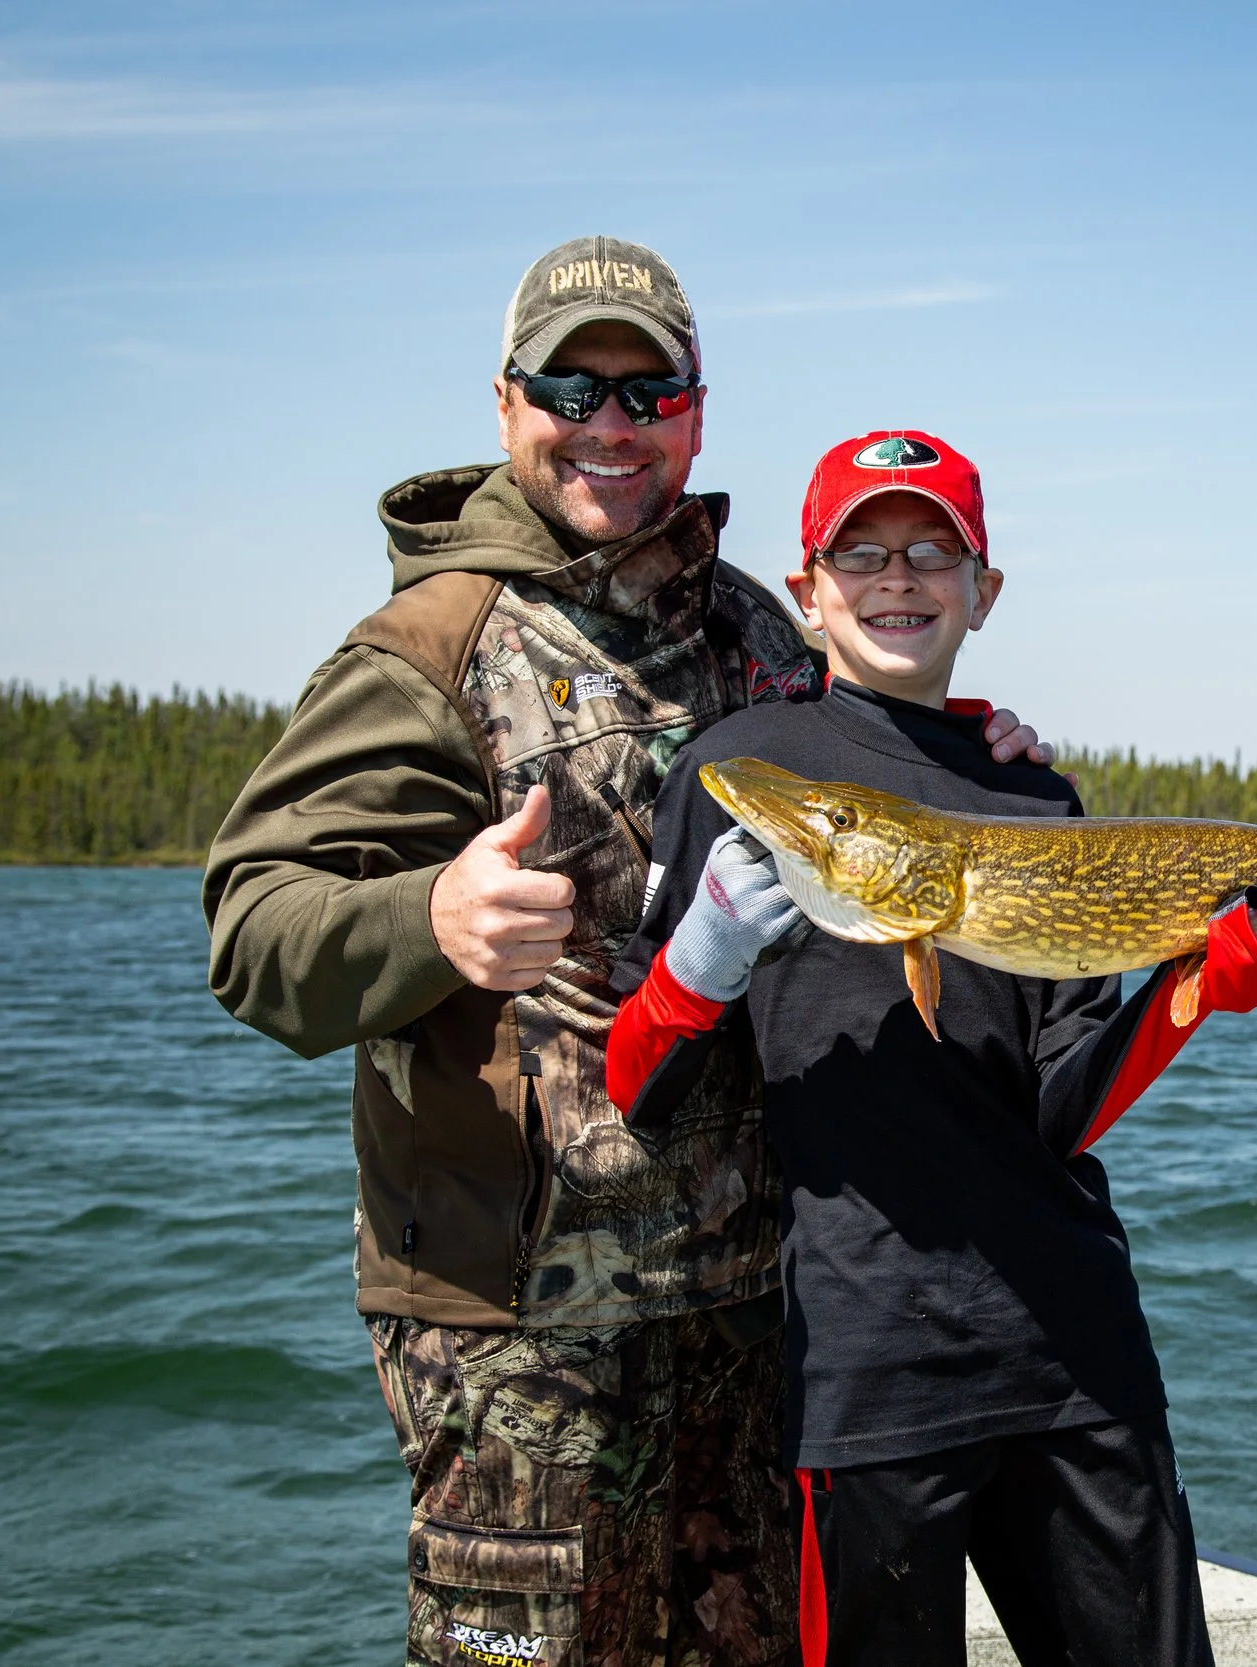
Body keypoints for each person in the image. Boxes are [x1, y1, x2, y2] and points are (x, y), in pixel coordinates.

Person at [202, 239, 1053, 1667]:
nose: (609, 422)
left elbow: (877, 769)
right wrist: (429, 918)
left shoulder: (759, 631)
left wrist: (981, 751)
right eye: (569, 388)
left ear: (696, 414)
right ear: (506, 404)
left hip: (759, 1305)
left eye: (647, 391)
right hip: (518, 1334)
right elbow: (253, 931)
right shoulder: (422, 650)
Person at [602, 431, 1257, 1667]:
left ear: (982, 592)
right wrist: (698, 962)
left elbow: (1064, 1111)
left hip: (1075, 1350)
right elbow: (636, 1086)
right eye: (862, 552)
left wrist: (1200, 983)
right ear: (809, 587)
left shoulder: (1036, 797)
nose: (898, 577)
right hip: (866, 1363)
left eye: (933, 552)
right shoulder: (739, 770)